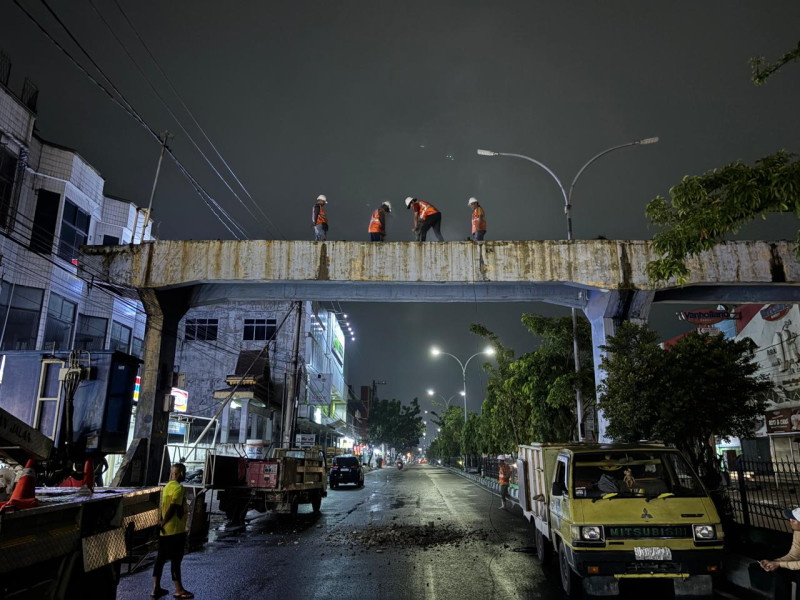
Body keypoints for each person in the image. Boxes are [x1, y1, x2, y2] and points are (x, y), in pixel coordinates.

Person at [152, 463, 193, 599]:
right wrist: (165, 521)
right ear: (181, 473)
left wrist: (161, 523)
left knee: (160, 559)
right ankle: (178, 589)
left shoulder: (166, 487)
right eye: (184, 472)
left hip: (164, 532)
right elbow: (174, 507)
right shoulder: (179, 488)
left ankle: (155, 588)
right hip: (175, 530)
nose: (185, 475)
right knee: (176, 560)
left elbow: (163, 507)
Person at [760, 506, 800, 598]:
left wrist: (780, 564)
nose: (790, 520)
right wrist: (774, 562)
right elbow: (794, 555)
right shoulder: (798, 532)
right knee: (780, 571)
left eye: (794, 519)